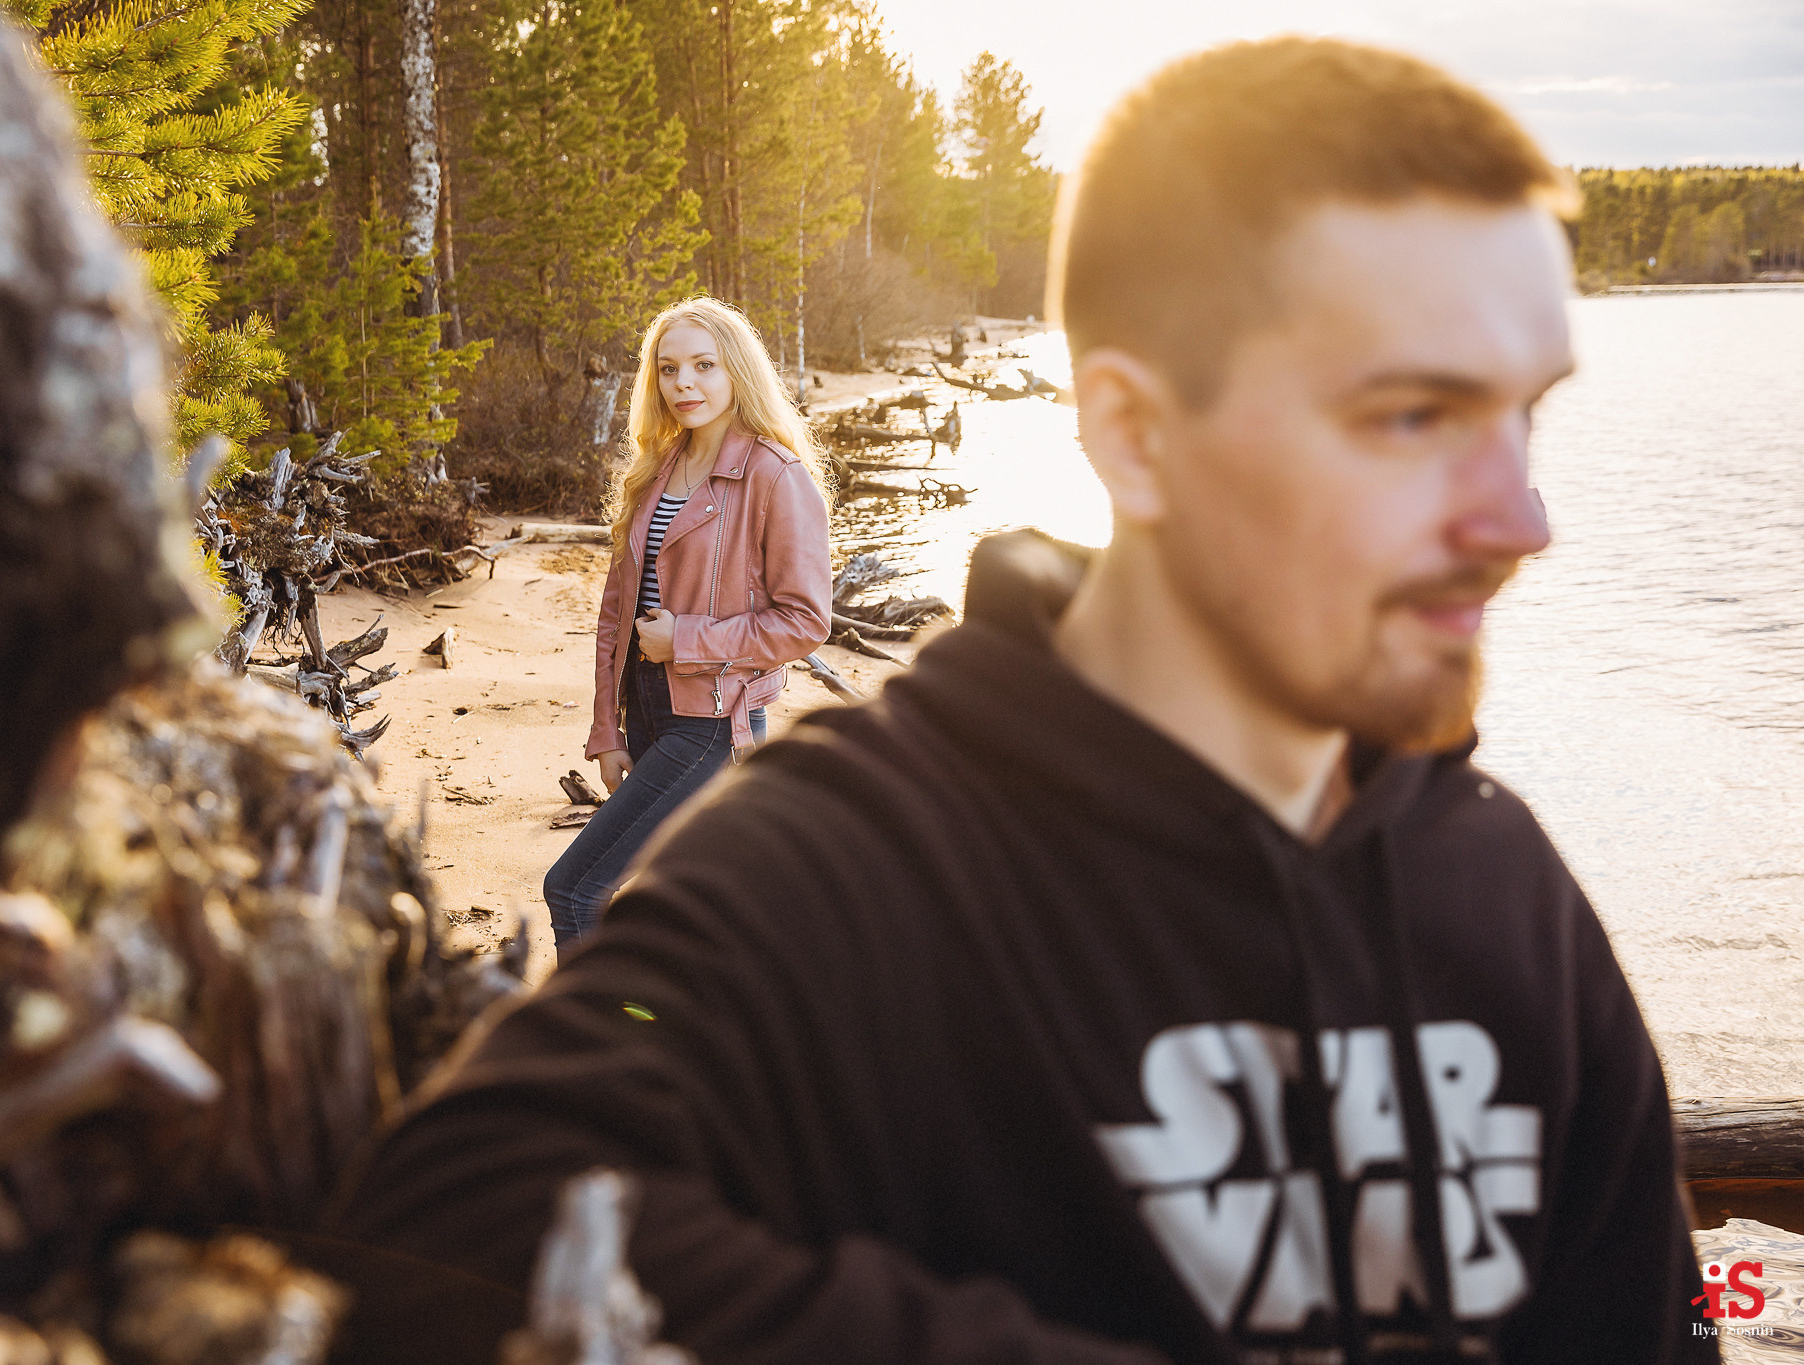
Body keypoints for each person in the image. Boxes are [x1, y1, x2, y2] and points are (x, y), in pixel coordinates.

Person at [338, 39, 1715, 1365]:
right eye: (1414, 417)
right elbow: (457, 1219)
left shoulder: (1503, 887)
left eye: (1526, 416)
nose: (1515, 519)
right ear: (1133, 432)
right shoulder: (857, 858)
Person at [543, 296, 833, 953]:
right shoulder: (658, 468)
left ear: (738, 371)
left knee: (574, 887)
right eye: (669, 369)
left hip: (712, 723)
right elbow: (616, 611)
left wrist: (688, 638)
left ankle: (592, 1048)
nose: (685, 384)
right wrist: (606, 726)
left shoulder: (775, 475)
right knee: (676, 906)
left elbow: (807, 620)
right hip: (647, 709)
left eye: (704, 365)